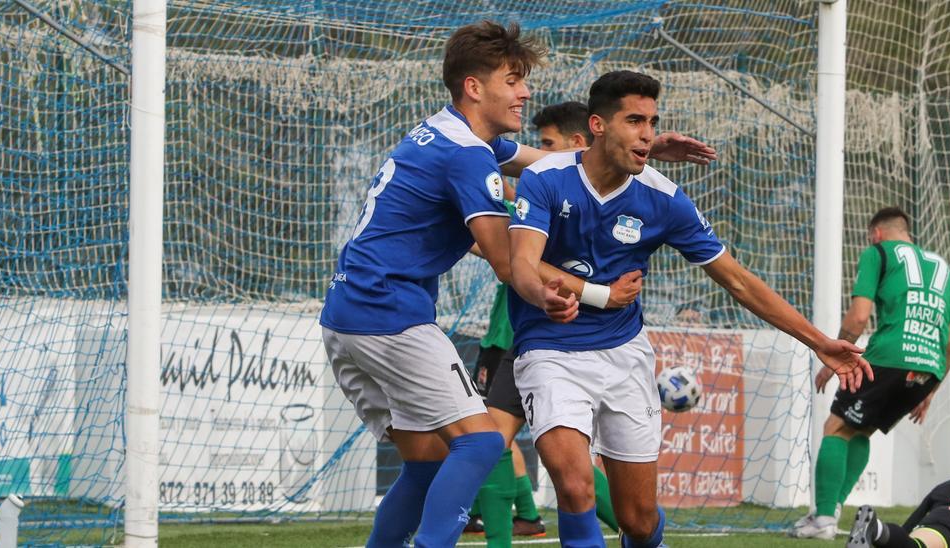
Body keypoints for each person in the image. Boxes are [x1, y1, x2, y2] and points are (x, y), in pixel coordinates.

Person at [319, 21, 716, 548]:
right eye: (513, 80)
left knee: (427, 464)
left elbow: (550, 161)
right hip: (390, 312)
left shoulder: (444, 132)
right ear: (475, 87)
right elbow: (508, 259)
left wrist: (633, 148)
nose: (525, 92)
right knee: (482, 441)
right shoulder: (468, 155)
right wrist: (596, 293)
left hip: (345, 313)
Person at [508, 70, 871, 548]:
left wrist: (821, 342)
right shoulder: (545, 178)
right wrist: (547, 296)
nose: (647, 134)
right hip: (549, 349)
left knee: (637, 521)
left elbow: (739, 283)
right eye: (635, 120)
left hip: (623, 355)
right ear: (597, 124)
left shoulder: (663, 200)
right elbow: (521, 266)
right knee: (574, 486)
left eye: (652, 123)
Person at [464, 101, 637, 543]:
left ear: (579, 144)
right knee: (515, 448)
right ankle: (529, 519)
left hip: (535, 337)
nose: (537, 153)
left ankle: (631, 528)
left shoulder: (560, 196)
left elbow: (511, 254)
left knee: (490, 440)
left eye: (546, 145)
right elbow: (499, 246)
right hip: (514, 333)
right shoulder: (539, 195)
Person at [790, 207, 950, 540]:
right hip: (928, 367)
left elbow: (858, 317)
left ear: (876, 233)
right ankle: (830, 510)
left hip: (888, 356)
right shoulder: (942, 266)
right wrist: (930, 390)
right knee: (861, 431)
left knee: (836, 426)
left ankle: (824, 518)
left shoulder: (877, 252)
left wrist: (832, 355)